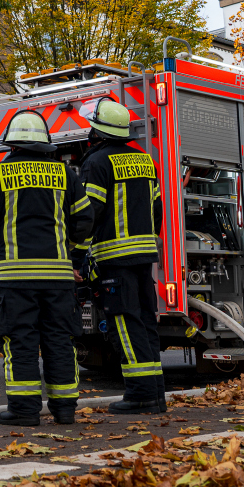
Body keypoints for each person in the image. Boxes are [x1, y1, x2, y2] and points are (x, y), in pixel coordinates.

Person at [0, 110, 93, 426]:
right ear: (46, 145)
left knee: (20, 341)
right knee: (60, 342)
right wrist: (69, 254)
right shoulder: (67, 175)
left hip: (14, 279)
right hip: (59, 280)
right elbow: (85, 221)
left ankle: (24, 412)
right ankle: (64, 411)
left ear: (12, 144)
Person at [75, 98, 166, 414]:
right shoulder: (143, 160)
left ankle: (140, 394)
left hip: (115, 260)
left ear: (98, 131)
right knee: (145, 324)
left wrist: (78, 256)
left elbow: (90, 214)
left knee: (125, 327)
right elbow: (156, 209)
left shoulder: (96, 163)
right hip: (143, 259)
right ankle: (155, 395)